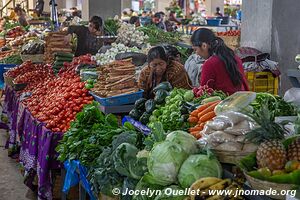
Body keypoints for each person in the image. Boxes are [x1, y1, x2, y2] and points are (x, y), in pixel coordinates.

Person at [191, 28, 249, 95]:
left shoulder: (210, 64)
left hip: (224, 103)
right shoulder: (235, 57)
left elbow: (204, 92)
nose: (196, 53)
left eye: (195, 50)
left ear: (204, 46)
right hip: (241, 99)